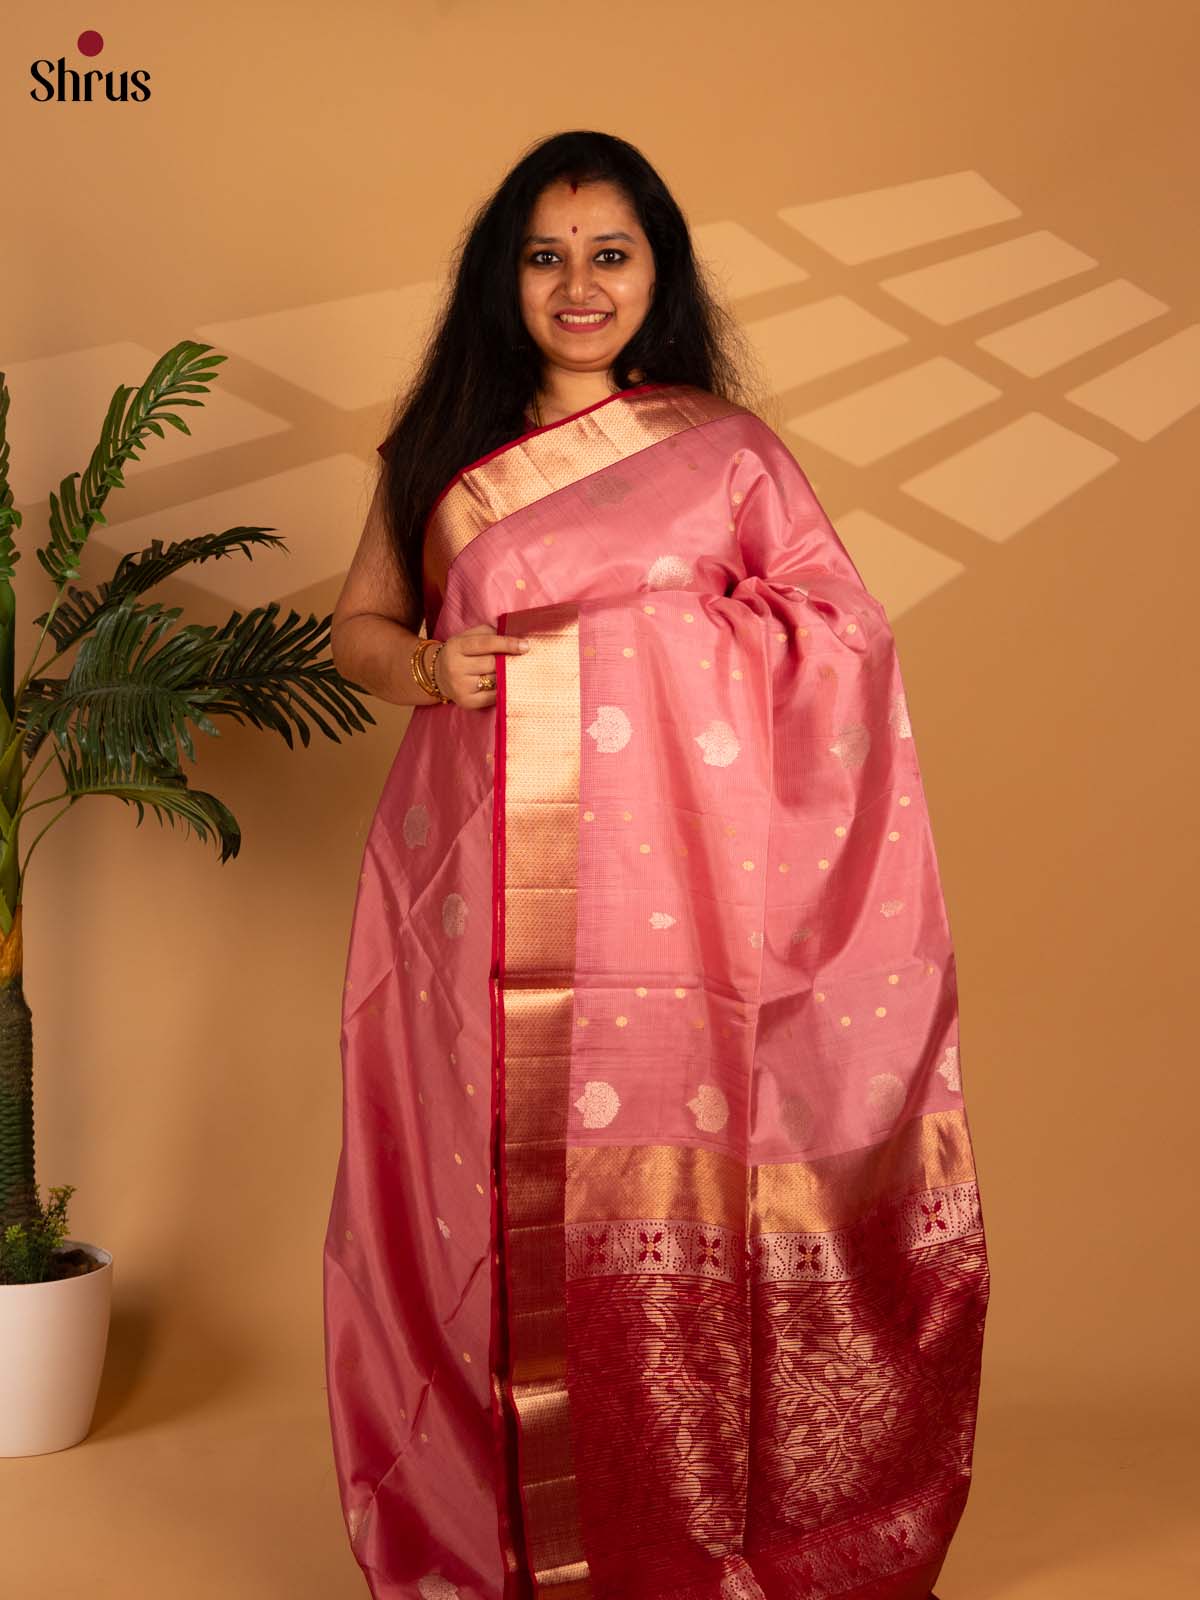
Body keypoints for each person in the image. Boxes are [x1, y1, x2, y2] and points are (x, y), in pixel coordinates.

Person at [322, 129, 988, 1600]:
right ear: (506, 276)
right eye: (546, 254)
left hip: (678, 914)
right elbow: (357, 632)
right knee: (495, 1208)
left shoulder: (725, 452)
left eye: (609, 254)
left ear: (656, 274)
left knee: (663, 1191)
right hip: (478, 911)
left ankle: (674, 1526)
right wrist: (439, 673)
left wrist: (656, 643)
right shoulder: (438, 451)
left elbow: (845, 636)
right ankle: (502, 1540)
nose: (577, 285)